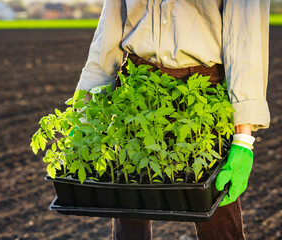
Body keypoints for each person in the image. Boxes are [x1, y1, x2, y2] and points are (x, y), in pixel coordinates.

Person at [75, 1, 270, 239]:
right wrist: (85, 115)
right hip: (138, 85)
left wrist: (243, 139)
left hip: (203, 93)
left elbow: (244, 35)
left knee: (218, 218)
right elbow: (109, 28)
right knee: (129, 208)